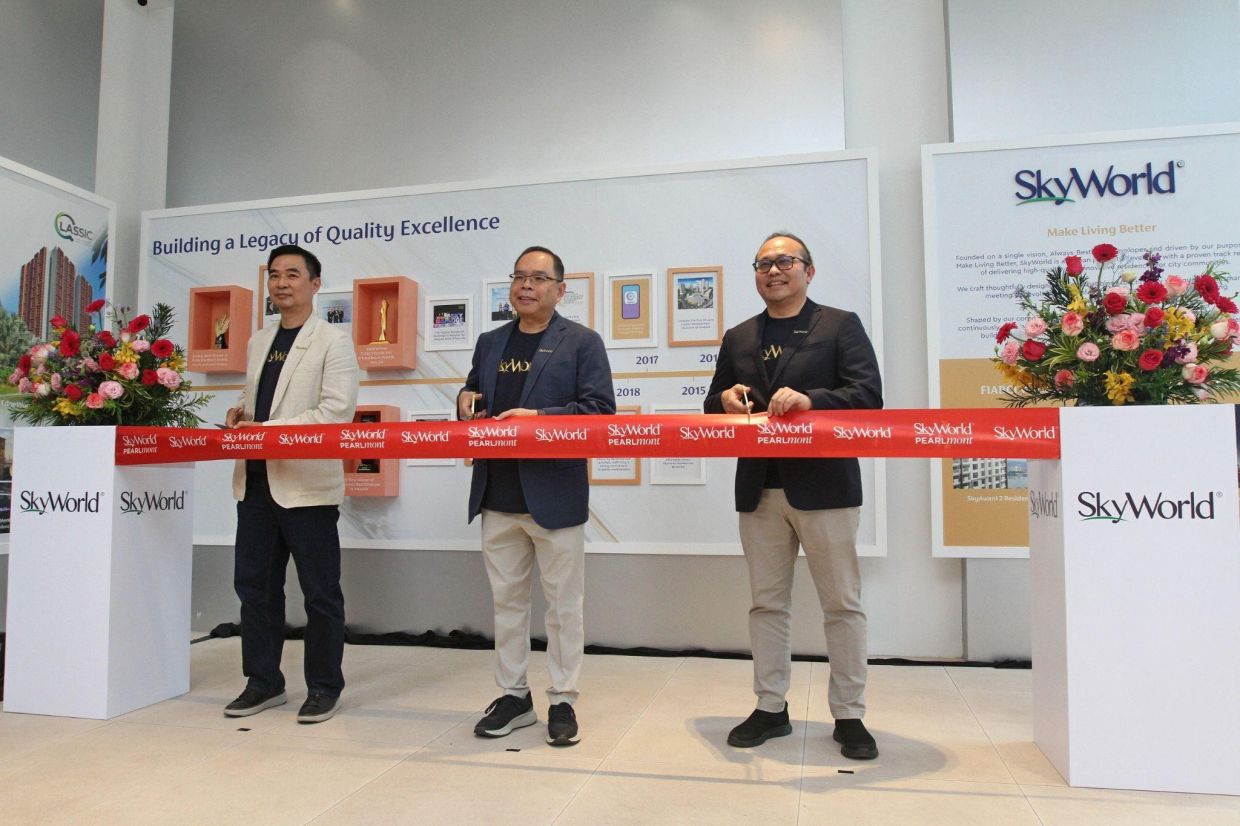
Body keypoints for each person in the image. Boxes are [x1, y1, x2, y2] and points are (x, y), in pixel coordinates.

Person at [704, 231, 883, 760]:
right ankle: (770, 707)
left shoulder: (839, 325)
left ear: (809, 270)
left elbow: (868, 396)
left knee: (842, 605)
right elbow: (713, 405)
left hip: (825, 487)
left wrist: (812, 400)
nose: (773, 270)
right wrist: (726, 401)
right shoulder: (739, 336)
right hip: (759, 489)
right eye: (763, 263)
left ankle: (849, 715)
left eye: (785, 261)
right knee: (766, 605)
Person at [458, 245, 615, 747]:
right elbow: (472, 394)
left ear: (560, 289)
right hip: (496, 494)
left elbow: (599, 413)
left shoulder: (582, 342)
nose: (527, 286)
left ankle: (563, 698)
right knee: (507, 604)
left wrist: (540, 421)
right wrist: (463, 401)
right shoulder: (489, 341)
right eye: (519, 277)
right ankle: (513, 695)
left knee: (563, 607)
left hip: (554, 494)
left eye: (539, 278)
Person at [223, 244, 359, 724]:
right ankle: (263, 682)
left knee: (320, 592)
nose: (282, 283)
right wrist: (240, 415)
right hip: (255, 482)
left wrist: (261, 430)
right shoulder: (259, 340)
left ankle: (324, 687)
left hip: (306, 484)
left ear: (315, 284)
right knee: (254, 588)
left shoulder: (333, 341)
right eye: (275, 275)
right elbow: (254, 399)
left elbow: (334, 413)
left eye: (293, 275)